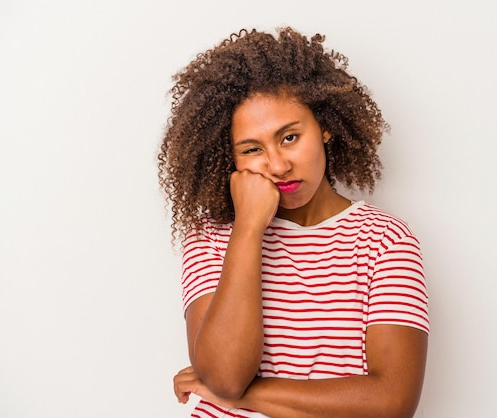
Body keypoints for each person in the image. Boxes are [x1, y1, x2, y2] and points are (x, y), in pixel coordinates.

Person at [158, 27, 429, 418]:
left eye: (289, 137)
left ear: (324, 126)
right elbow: (226, 376)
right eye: (252, 149)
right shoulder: (212, 239)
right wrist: (249, 227)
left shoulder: (385, 241)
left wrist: (242, 397)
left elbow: (391, 402)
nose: (278, 165)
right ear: (230, 159)